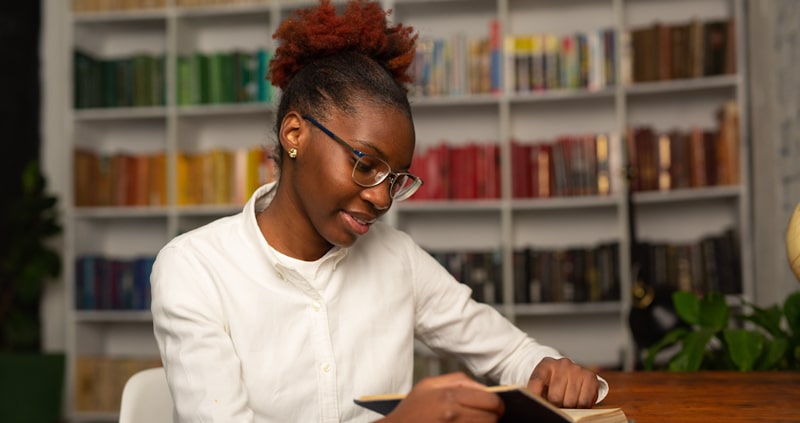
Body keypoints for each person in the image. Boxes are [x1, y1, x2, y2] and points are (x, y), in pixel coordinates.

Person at [150, 0, 608, 421]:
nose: (383, 199)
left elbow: (509, 352)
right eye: (366, 165)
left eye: (395, 178)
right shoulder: (195, 268)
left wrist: (549, 368)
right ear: (295, 134)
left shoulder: (398, 259)